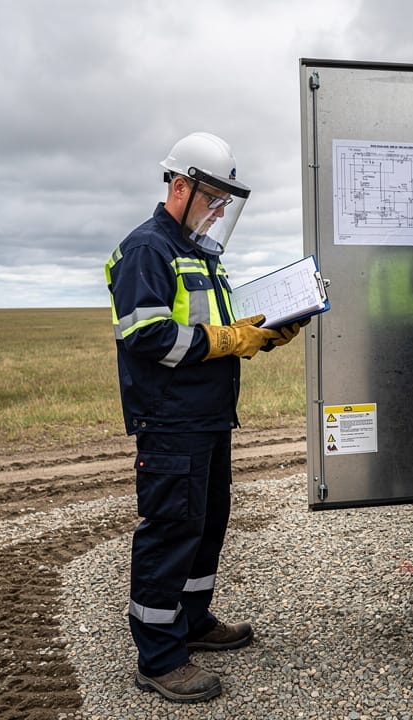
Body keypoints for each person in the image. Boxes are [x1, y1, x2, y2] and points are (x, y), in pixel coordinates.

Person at [105, 131, 306, 703]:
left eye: (225, 203)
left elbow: (221, 329)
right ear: (180, 185)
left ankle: (191, 620)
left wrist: (266, 334)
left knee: (206, 524)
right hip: (171, 421)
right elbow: (147, 336)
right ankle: (159, 656)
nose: (218, 212)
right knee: (171, 531)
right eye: (212, 199)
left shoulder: (198, 253)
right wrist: (231, 338)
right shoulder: (148, 250)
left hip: (209, 418)